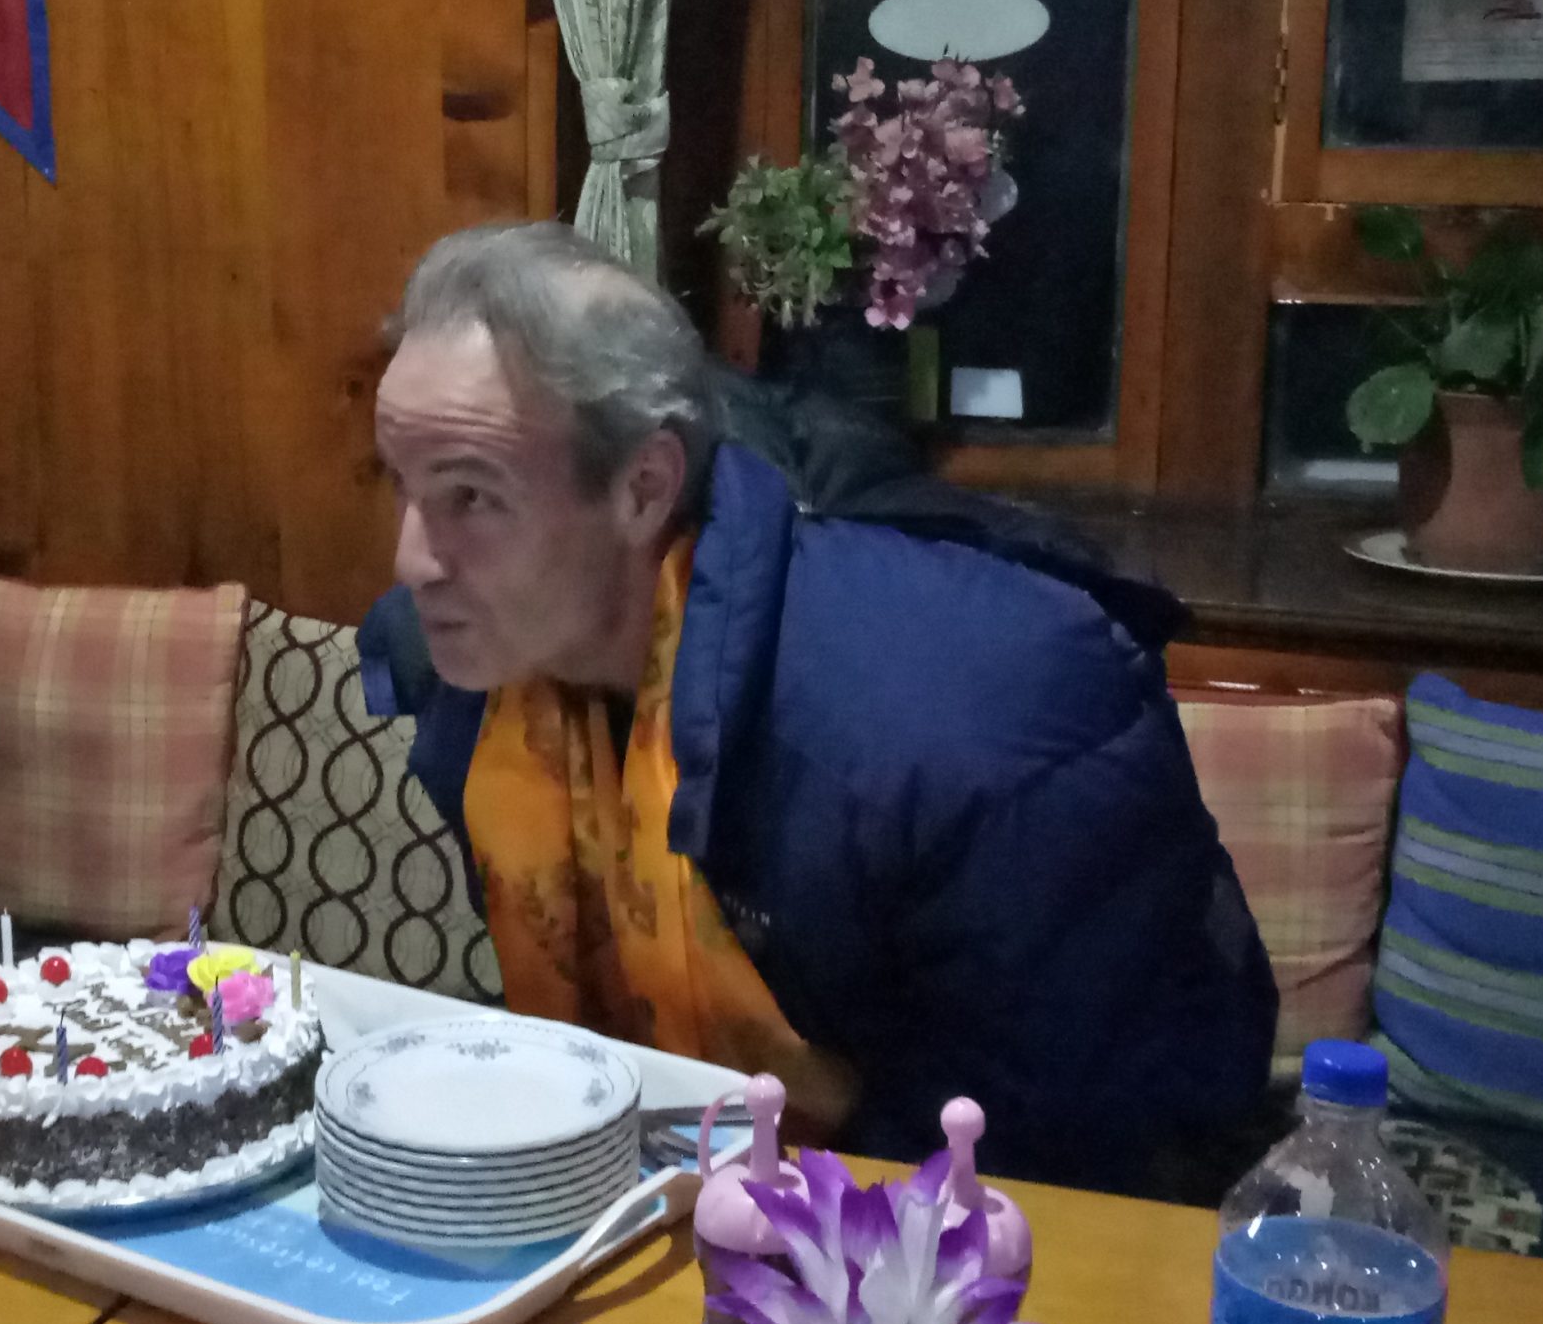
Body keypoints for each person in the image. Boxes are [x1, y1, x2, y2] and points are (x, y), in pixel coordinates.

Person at [360, 223, 1277, 1193]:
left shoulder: (961, 726)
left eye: (472, 498)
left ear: (643, 489)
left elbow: (1067, 1155)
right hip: (706, 1188)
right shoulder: (473, 678)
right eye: (401, 487)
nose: (411, 561)